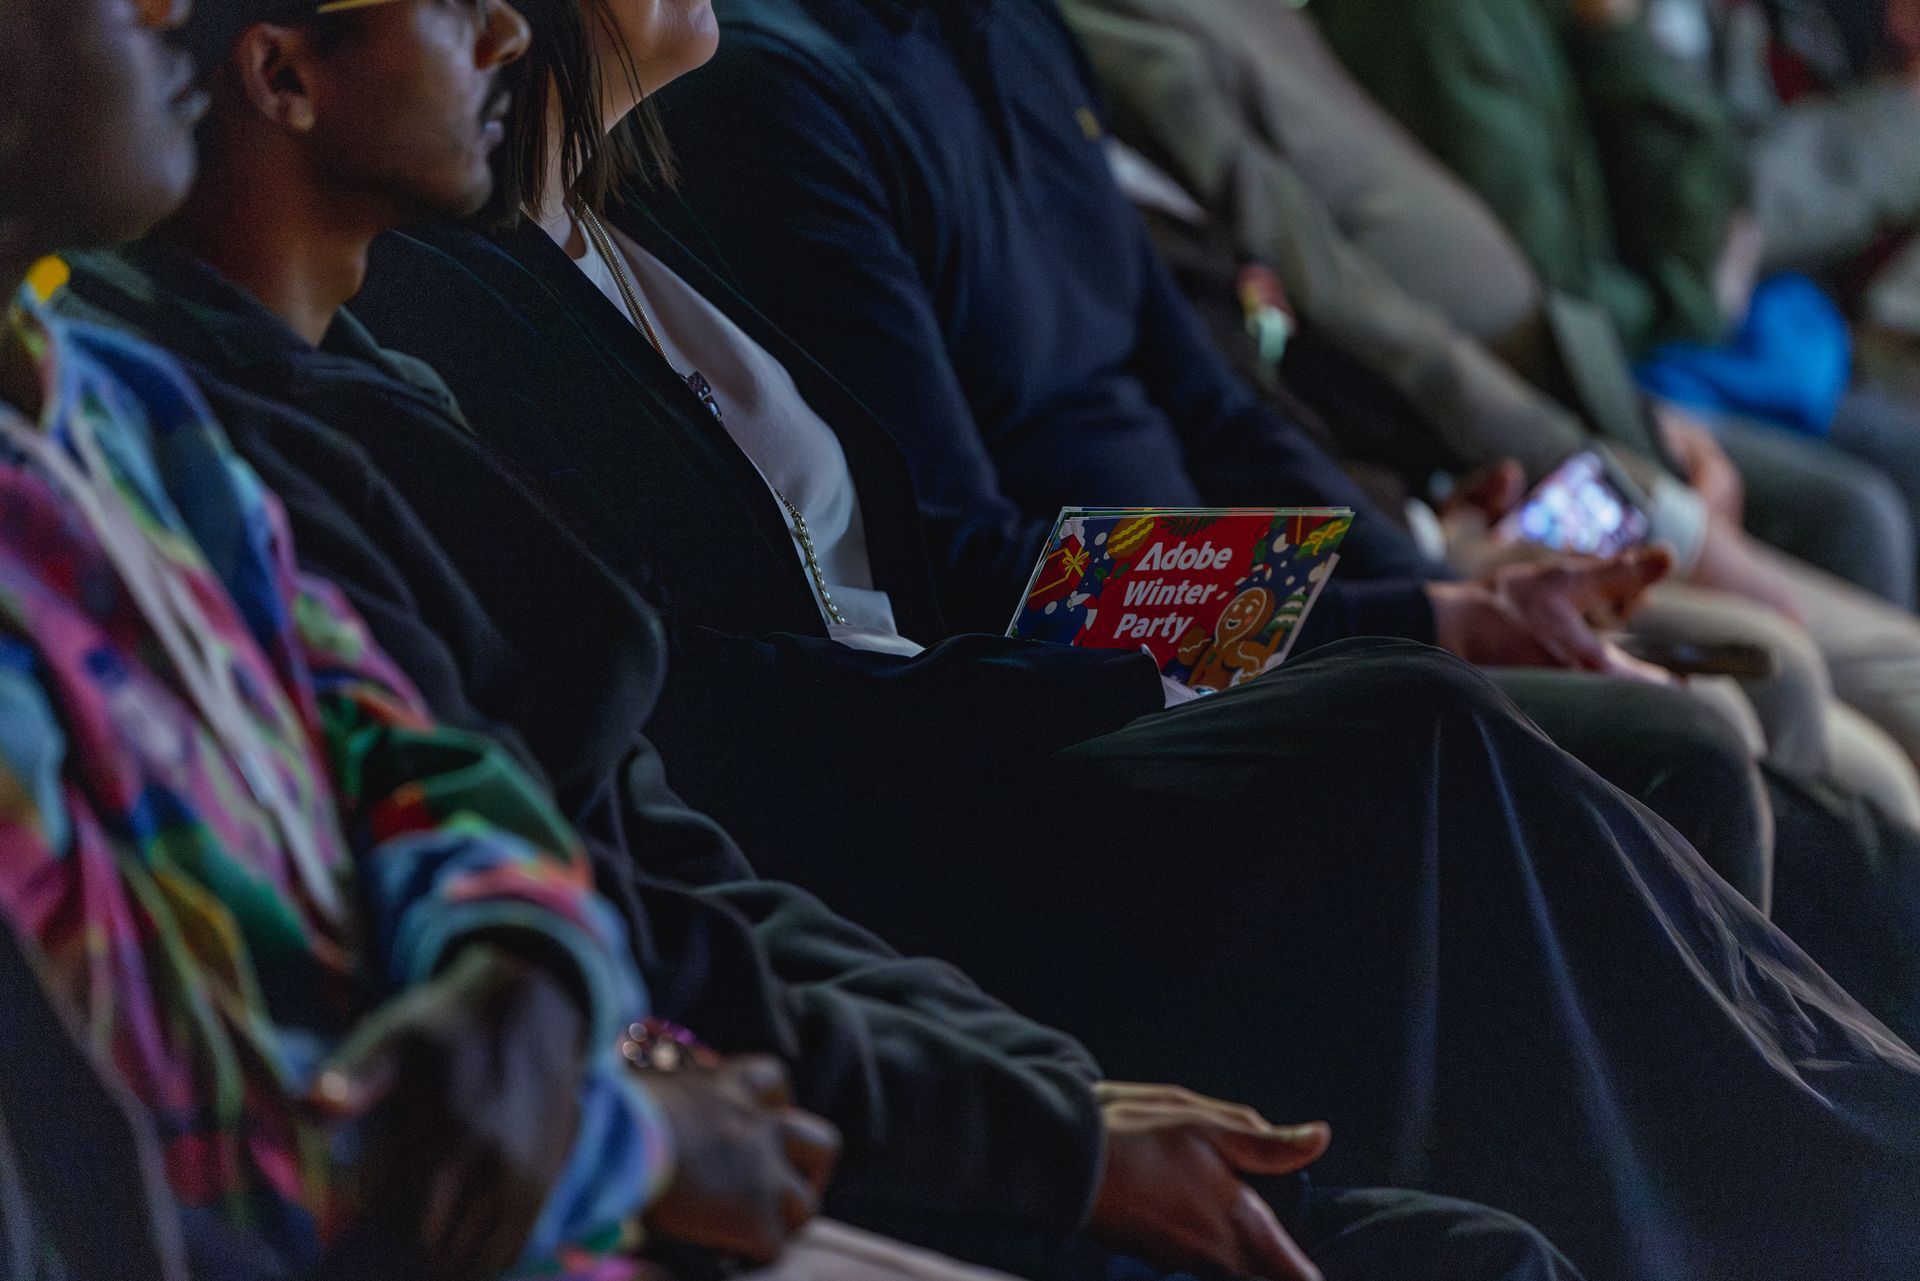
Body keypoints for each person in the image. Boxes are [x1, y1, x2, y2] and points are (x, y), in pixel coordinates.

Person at [114, 0, 1920, 1275]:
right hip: (944, 777)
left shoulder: (986, 54)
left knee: (1635, 716)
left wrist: (1419, 577)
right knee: (1469, 732)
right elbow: (844, 642)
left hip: (1067, 669)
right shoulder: (753, 128)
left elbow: (1186, 414)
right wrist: (1323, 623)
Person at [0, 3, 1106, 1281]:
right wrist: (632, 1137)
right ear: (283, 73)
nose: (160, 9)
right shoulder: (229, 385)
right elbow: (141, 1143)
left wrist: (527, 969)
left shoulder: (120, 405)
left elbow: (448, 777)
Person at [1059, 0, 1920, 822]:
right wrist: (1429, 583)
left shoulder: (1072, 75)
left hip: (1373, 522)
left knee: (1780, 686)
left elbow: (1244, 404)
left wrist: (1422, 557)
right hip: (1140, 637)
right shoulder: (1058, 56)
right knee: (1732, 711)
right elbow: (1039, 578)